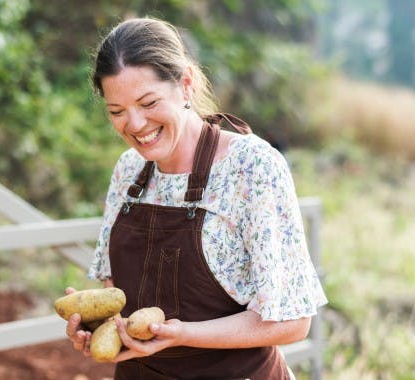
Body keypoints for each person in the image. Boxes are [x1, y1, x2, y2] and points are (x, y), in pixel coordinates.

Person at [64, 17, 327, 380]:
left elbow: (294, 322)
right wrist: (102, 330)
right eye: (117, 112)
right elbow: (116, 293)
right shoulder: (129, 170)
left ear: (185, 84)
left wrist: (182, 335)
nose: (135, 124)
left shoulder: (250, 167)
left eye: (148, 102)